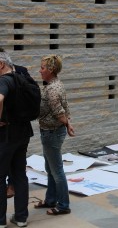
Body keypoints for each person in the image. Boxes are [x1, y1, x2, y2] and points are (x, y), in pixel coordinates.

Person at [34, 55, 74, 215]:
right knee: (50, 168)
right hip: (52, 132)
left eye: (42, 68)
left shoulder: (52, 89)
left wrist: (67, 123)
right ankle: (51, 199)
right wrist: (68, 123)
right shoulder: (56, 84)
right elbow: (65, 108)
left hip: (51, 133)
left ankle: (64, 205)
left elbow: (59, 112)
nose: (40, 70)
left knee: (56, 170)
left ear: (50, 70)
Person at [0, 49, 33, 227]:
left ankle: (0, 221)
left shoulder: (4, 80)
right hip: (24, 132)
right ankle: (21, 218)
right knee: (20, 175)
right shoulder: (22, 74)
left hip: (6, 136)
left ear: (1, 64)